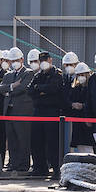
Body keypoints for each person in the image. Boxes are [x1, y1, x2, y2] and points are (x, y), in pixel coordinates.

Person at [28, 50, 66, 178]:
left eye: (46, 60)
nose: (44, 63)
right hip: (38, 111)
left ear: (50, 60)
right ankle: (40, 167)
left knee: (52, 142)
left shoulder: (57, 74)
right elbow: (30, 90)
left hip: (52, 111)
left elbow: (54, 88)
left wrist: (39, 88)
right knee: (36, 141)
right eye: (42, 60)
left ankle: (56, 169)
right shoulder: (38, 76)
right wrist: (41, 89)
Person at [0, 48, 33, 172]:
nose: (14, 62)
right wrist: (13, 86)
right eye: (12, 60)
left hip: (23, 112)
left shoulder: (28, 73)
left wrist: (9, 91)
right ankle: (13, 163)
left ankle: (24, 165)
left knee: (23, 139)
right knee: (12, 139)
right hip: (9, 111)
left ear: (22, 60)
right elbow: (0, 89)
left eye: (16, 60)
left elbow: (23, 88)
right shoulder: (8, 75)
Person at [65, 62, 96, 150]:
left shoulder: (91, 88)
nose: (81, 77)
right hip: (77, 124)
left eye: (83, 74)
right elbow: (68, 100)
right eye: (79, 75)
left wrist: (83, 106)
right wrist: (72, 104)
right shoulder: (75, 88)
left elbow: (93, 103)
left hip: (88, 123)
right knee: (80, 148)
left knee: (90, 148)